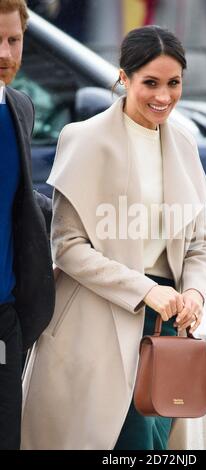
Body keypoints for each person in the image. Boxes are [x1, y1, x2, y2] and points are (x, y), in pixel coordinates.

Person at [21, 25, 206, 450]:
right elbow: (68, 248)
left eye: (173, 83)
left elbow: (201, 244)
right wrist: (146, 290)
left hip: (168, 330)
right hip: (97, 323)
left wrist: (196, 294)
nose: (163, 97)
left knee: (160, 447)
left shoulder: (185, 145)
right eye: (150, 83)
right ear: (123, 78)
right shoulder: (84, 140)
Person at [0, 0, 55, 450]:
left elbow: (15, 196)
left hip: (5, 318)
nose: (4, 52)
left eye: (13, 40)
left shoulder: (18, 107)